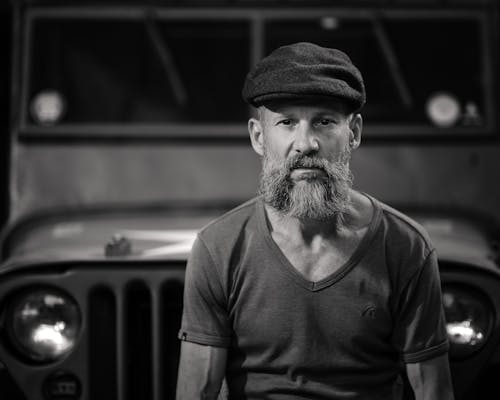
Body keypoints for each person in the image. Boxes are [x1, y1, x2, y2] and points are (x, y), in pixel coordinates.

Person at [176, 42, 454, 400]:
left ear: (353, 133)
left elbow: (434, 390)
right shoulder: (218, 248)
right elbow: (197, 392)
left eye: (324, 121)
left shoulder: (405, 247)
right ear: (259, 137)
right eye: (286, 122)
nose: (305, 143)